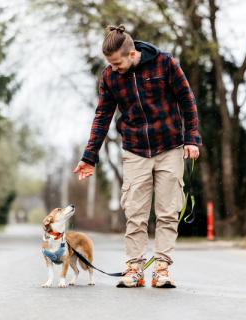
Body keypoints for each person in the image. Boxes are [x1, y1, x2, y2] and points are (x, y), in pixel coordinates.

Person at [73, 24, 201, 288]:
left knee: (167, 211)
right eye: (110, 64)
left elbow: (187, 101)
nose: (114, 68)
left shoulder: (165, 63)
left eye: (117, 63)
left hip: (170, 147)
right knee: (135, 213)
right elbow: (102, 116)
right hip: (135, 150)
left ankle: (162, 269)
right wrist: (89, 156)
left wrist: (192, 138)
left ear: (132, 55)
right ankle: (134, 269)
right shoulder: (110, 76)